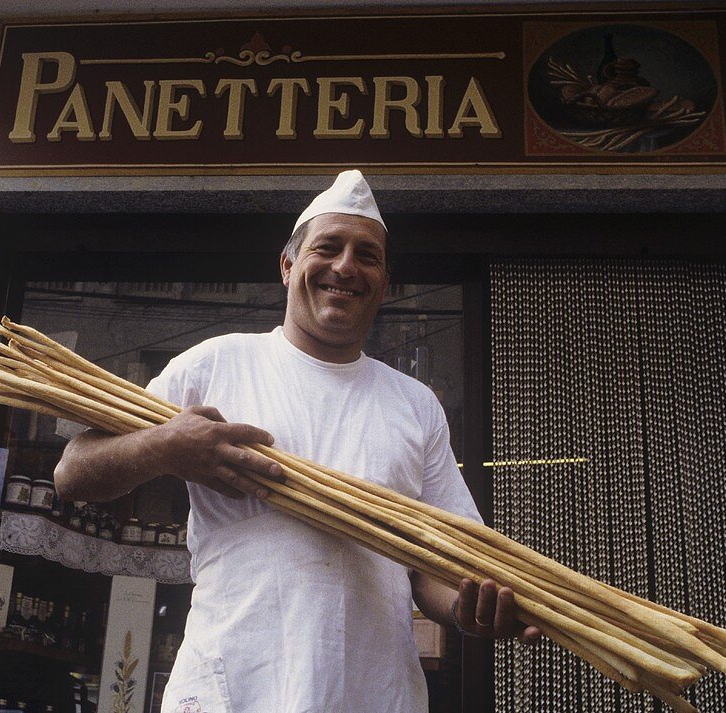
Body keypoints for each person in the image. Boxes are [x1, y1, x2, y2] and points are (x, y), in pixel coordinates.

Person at [55, 170, 541, 712]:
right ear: (288, 266)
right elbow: (72, 474)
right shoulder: (214, 365)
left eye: (367, 256)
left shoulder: (415, 404)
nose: (345, 267)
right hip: (235, 685)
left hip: (374, 693)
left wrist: (469, 609)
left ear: (384, 282)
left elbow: (437, 565)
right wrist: (164, 447)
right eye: (327, 247)